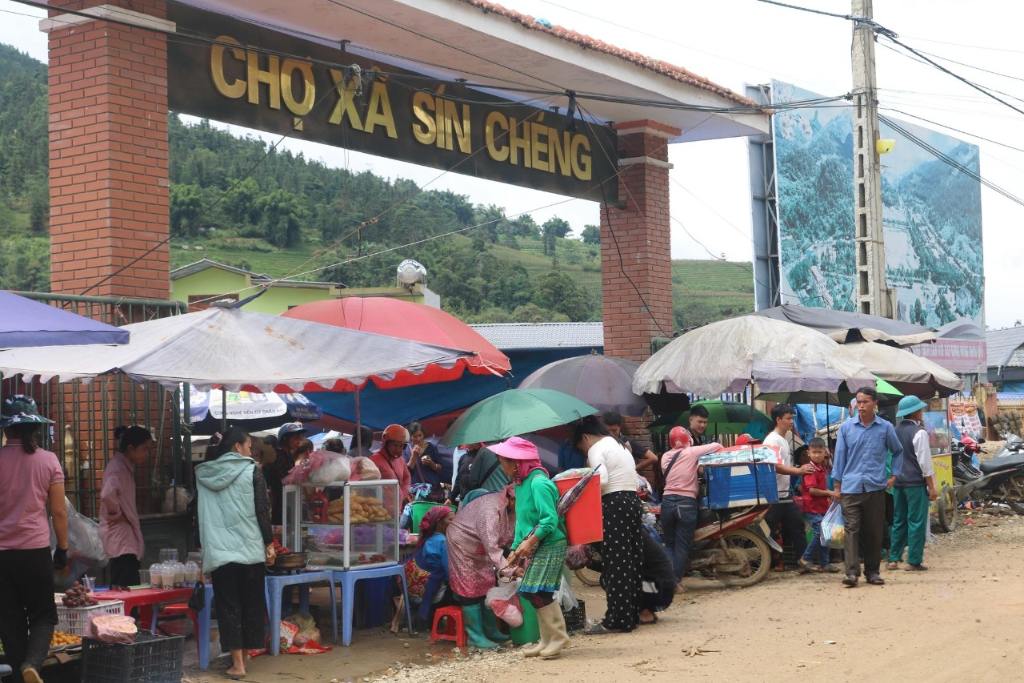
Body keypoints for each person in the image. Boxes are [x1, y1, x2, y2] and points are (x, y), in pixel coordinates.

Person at [196, 427, 274, 680]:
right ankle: (245, 659)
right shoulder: (252, 470)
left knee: (229, 605)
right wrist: (269, 543)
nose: (251, 451)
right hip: (250, 549)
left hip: (220, 552)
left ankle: (238, 662)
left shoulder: (204, 473)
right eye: (249, 446)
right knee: (251, 603)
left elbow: (199, 515)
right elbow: (262, 510)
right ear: (236, 447)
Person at [0, 396, 68, 683]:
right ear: (35, 428)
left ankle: (19, 675)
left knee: (9, 620)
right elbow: (59, 512)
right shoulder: (49, 461)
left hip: (2, 555)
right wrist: (62, 549)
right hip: (36, 551)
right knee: (43, 615)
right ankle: (32, 664)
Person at [496, 437, 569, 660]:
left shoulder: (539, 483)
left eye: (504, 461)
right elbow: (522, 522)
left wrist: (529, 543)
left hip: (551, 543)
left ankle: (557, 638)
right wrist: (514, 550)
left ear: (516, 463)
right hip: (537, 544)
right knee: (535, 592)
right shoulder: (520, 484)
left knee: (536, 591)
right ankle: (546, 639)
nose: (501, 466)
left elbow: (549, 521)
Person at [573, 416, 642, 634]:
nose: (585, 452)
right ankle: (630, 615)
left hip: (614, 504)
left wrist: (580, 488)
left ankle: (616, 620)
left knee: (616, 563)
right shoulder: (618, 444)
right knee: (631, 560)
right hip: (631, 501)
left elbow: (601, 480)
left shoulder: (596, 449)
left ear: (585, 438)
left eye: (581, 447)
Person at [832, 387, 903, 588]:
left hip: (875, 487)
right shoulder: (846, 428)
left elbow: (898, 451)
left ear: (874, 404)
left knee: (874, 531)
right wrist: (837, 486)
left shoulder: (886, 428)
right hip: (851, 487)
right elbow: (840, 458)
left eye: (865, 402)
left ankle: (872, 572)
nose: (861, 406)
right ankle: (852, 573)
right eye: (858, 402)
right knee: (851, 530)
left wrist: (894, 476)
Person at [447, 486, 515, 645]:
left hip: (481, 546)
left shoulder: (510, 509)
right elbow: (493, 548)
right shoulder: (490, 510)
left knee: (486, 583)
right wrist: (511, 570)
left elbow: (509, 538)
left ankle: (491, 631)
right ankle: (475, 636)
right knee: (469, 587)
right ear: (511, 499)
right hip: (462, 543)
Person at [659, 427, 721, 589]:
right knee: (682, 545)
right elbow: (716, 445)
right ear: (687, 440)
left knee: (670, 544)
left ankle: (667, 580)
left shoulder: (665, 457)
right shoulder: (691, 452)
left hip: (667, 502)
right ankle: (675, 582)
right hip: (686, 503)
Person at [887, 396, 939, 572]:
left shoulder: (893, 430)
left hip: (898, 483)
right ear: (915, 412)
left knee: (899, 520)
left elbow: (891, 456)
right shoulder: (919, 432)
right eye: (920, 409)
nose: (922, 412)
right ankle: (914, 560)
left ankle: (893, 558)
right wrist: (931, 486)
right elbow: (925, 462)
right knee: (916, 520)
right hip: (915, 483)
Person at [100, 425, 154, 588]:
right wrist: (117, 514)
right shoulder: (118, 468)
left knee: (126, 586)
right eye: (144, 449)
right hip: (121, 538)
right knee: (126, 588)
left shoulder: (123, 467)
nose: (147, 454)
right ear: (131, 448)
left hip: (123, 538)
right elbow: (106, 494)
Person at [763, 404, 815, 567]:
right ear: (778, 420)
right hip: (774, 493)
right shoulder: (773, 440)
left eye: (792, 418)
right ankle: (765, 563)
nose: (791, 422)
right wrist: (798, 471)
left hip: (785, 493)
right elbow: (775, 466)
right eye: (788, 418)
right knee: (770, 529)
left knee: (796, 526)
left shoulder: (784, 439)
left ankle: (803, 561)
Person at [798, 438, 840, 574]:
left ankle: (825, 563)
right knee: (820, 532)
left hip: (821, 507)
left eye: (819, 452)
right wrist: (829, 492)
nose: (816, 455)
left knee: (826, 533)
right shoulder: (810, 469)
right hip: (811, 507)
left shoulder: (822, 468)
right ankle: (805, 558)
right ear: (808, 453)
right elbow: (812, 490)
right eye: (814, 452)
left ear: (825, 453)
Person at [410, 506, 453, 623]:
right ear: (440, 522)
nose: (454, 524)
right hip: (434, 588)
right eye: (451, 520)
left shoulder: (426, 538)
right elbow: (449, 571)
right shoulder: (442, 541)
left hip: (419, 587)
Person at [602, 411, 662, 496]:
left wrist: (634, 468)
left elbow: (653, 458)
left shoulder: (627, 442)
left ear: (620, 427)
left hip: (628, 485)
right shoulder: (602, 444)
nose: (611, 434)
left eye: (614, 430)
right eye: (608, 431)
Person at [263, 421, 309, 525]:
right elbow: (283, 480)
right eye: (296, 437)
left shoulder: (287, 455)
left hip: (286, 503)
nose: (299, 440)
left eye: (300, 437)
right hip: (280, 504)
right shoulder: (279, 456)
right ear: (285, 438)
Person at [372, 424, 413, 504]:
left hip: (398, 508)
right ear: (386, 444)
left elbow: (407, 477)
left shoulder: (400, 460)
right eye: (395, 445)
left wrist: (403, 494)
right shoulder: (374, 460)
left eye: (401, 446)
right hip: (381, 509)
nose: (398, 449)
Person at [407, 422, 446, 502]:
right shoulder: (407, 450)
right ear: (410, 437)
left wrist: (431, 463)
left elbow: (440, 468)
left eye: (420, 435)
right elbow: (407, 472)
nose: (418, 439)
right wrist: (414, 456)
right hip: (417, 492)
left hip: (433, 490)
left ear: (423, 435)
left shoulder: (431, 447)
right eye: (415, 436)